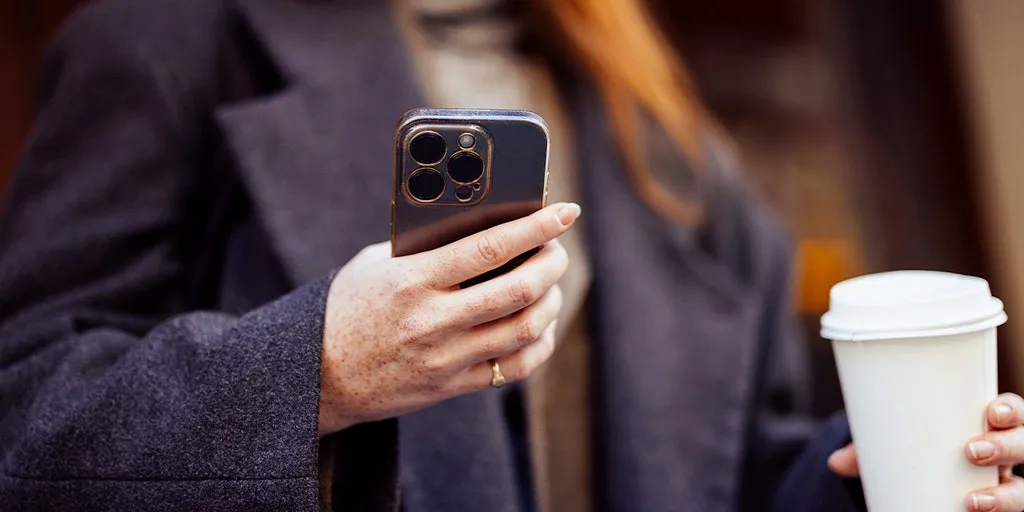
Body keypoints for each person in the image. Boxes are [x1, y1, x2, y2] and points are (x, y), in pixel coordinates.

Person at [0, 0, 1021, 510]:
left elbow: (722, 465)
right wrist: (316, 367)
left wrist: (878, 468)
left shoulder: (663, 130)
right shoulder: (165, 37)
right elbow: (23, 411)